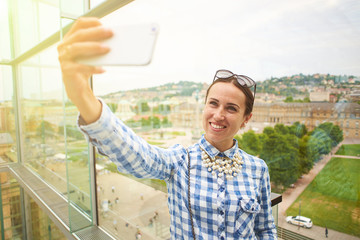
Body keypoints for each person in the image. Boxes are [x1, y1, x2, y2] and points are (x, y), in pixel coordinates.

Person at [57, 17, 277, 239]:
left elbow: (265, 229)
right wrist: (83, 97)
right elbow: (138, 155)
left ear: (246, 118)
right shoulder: (180, 160)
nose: (218, 115)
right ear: (204, 107)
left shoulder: (258, 169)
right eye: (213, 103)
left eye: (231, 108)